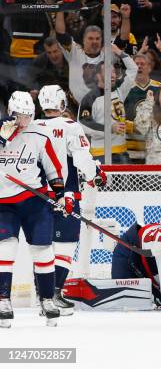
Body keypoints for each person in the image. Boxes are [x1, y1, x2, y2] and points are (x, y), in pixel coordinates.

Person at [34, 85, 107, 316]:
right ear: (62, 103)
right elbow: (83, 161)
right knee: (65, 246)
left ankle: (44, 296)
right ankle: (53, 294)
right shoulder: (70, 127)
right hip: (66, 194)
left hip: (38, 196)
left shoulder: (32, 127)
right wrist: (96, 174)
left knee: (44, 247)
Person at [0, 92, 67, 328]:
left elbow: (53, 169)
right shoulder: (0, 131)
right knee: (6, 249)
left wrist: (61, 195)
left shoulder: (40, 134)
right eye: (20, 116)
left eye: (29, 115)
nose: (25, 120)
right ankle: (3, 300)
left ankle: (47, 300)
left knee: (43, 250)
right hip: (3, 203)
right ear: (11, 112)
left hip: (34, 201)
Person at [78, 44, 137, 164]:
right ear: (98, 75)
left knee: (128, 183)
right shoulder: (89, 98)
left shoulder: (119, 91)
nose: (113, 75)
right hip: (101, 154)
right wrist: (110, 128)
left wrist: (119, 51)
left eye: (114, 72)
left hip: (122, 151)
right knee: (105, 183)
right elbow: (83, 125)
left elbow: (133, 70)